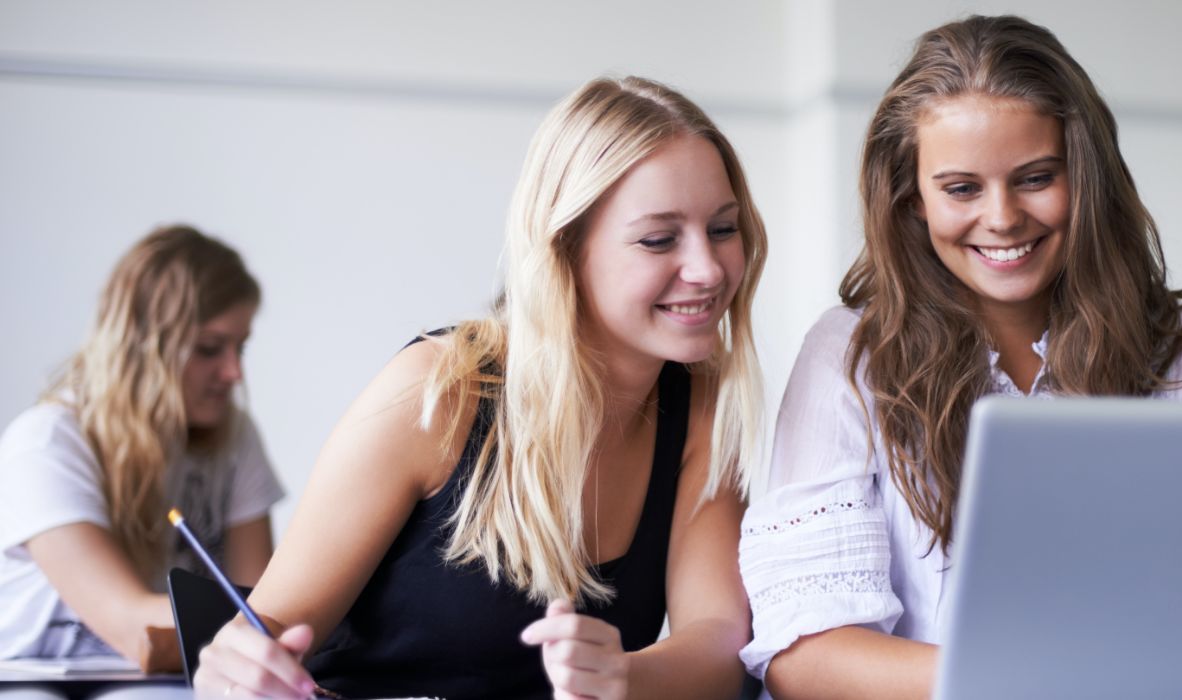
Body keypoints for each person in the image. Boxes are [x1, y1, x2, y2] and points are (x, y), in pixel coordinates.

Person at [193, 75, 767, 700]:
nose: (708, 269)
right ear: (564, 249)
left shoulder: (701, 409)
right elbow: (269, 629)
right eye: (659, 239)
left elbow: (717, 641)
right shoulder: (437, 392)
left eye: (722, 228)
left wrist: (622, 677)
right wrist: (236, 666)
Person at [738, 15, 1182, 700]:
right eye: (962, 189)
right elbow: (805, 658)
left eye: (1036, 177)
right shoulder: (850, 354)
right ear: (912, 200)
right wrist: (1037, 679)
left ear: (1086, 179)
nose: (1002, 218)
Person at [0, 225, 283, 700]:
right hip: (37, 677)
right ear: (140, 345)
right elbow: (133, 627)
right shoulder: (46, 443)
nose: (234, 372)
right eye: (209, 348)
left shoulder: (234, 438)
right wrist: (267, 619)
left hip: (164, 676)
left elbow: (259, 601)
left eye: (241, 347)